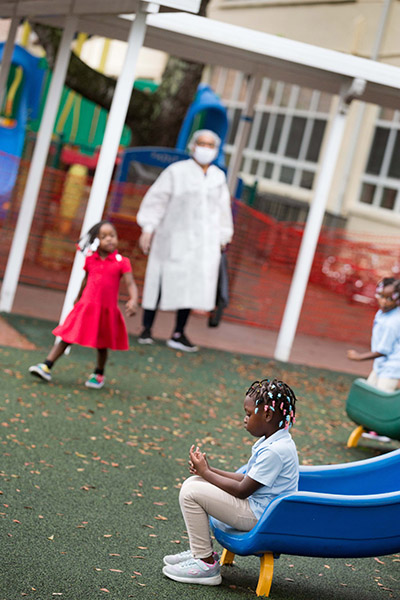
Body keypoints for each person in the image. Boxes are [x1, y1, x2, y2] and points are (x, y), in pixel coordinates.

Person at [162, 377, 299, 586]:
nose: (244, 419)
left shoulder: (275, 451)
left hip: (259, 516)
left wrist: (207, 473)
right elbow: (246, 479)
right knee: (193, 482)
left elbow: (243, 490)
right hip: (257, 509)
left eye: (248, 414)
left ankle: (206, 564)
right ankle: (201, 551)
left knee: (191, 492)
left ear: (268, 415)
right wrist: (206, 471)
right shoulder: (273, 441)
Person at [136, 129, 234, 352]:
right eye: (202, 143)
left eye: (210, 145)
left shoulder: (218, 177)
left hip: (203, 243)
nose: (205, 149)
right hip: (172, 237)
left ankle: (178, 332)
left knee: (190, 286)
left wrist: (223, 236)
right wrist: (148, 227)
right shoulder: (176, 172)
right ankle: (146, 327)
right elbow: (157, 199)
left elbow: (222, 210)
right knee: (160, 280)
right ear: (192, 146)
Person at [29, 220, 138, 389]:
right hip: (86, 306)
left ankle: (98, 374)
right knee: (67, 337)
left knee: (102, 344)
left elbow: (130, 283)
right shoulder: (91, 260)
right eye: (104, 236)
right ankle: (46, 365)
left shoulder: (121, 262)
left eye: (112, 236)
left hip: (105, 310)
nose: (109, 239)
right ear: (96, 240)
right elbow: (86, 279)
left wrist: (133, 299)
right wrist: (78, 297)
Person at [347, 277, 400, 441]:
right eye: (381, 296)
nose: (384, 301)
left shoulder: (393, 321)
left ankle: (386, 433)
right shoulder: (383, 313)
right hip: (381, 365)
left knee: (384, 398)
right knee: (369, 394)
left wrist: (358, 357)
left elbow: (383, 350)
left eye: (390, 298)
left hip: (392, 367)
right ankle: (371, 427)